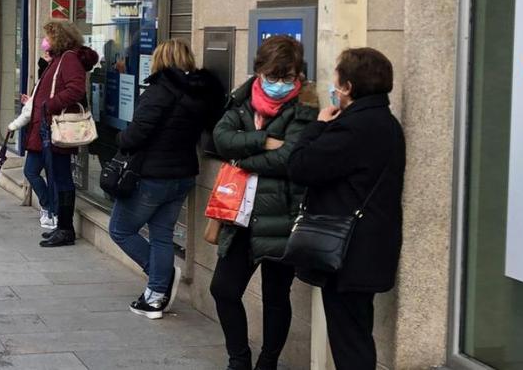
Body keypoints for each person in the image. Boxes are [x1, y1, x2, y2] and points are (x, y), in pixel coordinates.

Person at [286, 47, 405, 370]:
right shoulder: (386, 123)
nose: (333, 89)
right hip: (368, 247)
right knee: (355, 332)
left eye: (336, 82)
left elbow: (299, 166)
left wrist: (318, 125)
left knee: (349, 340)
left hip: (348, 251)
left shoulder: (353, 127)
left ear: (349, 87)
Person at [209, 35, 318, 370]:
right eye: (273, 77)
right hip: (241, 216)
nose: (280, 85)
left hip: (282, 217)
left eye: (288, 78)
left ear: (299, 76)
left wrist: (243, 158)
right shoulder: (242, 101)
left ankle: (268, 362)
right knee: (223, 290)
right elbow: (221, 139)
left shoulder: (305, 109)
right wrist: (263, 141)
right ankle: (238, 360)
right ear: (259, 72)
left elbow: (288, 159)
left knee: (275, 296)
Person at [109, 39, 224, 319]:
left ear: (160, 60)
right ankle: (155, 298)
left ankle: (161, 279)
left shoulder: (159, 91)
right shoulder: (201, 93)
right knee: (162, 235)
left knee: (120, 229)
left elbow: (136, 135)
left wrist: (120, 137)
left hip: (152, 176)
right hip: (183, 174)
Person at [25, 20, 98, 247]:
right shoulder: (59, 59)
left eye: (48, 36)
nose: (45, 41)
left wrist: (49, 104)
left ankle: (65, 228)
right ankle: (60, 224)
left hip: (56, 127)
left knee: (61, 178)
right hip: (45, 128)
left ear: (59, 38)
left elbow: (76, 89)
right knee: (50, 174)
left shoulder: (68, 59)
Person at [8, 46, 58, 229]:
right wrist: (31, 101)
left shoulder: (52, 75)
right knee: (39, 172)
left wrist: (13, 125)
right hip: (41, 132)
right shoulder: (46, 75)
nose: (44, 54)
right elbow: (35, 105)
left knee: (36, 172)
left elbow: (34, 109)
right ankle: (50, 208)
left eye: (48, 51)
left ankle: (50, 209)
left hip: (45, 132)